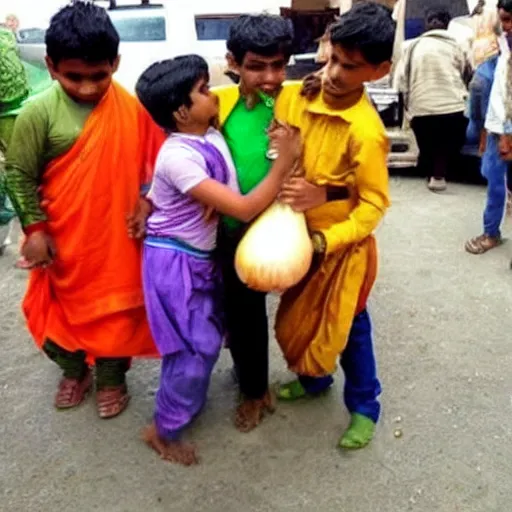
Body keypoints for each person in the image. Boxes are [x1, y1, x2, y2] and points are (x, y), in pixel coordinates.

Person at [132, 56, 300, 465]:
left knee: (206, 336)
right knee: (193, 348)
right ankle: (163, 429)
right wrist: (285, 160)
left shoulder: (207, 133)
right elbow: (242, 209)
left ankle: (184, 400)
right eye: (204, 91)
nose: (215, 97)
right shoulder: (178, 155)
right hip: (175, 264)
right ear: (180, 111)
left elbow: (199, 183)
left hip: (197, 257)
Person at [4, 2, 165, 418]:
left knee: (117, 315)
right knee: (58, 322)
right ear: (51, 66)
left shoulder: (130, 107)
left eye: (100, 75)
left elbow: (155, 164)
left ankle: (112, 379)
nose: (90, 87)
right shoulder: (37, 113)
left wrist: (146, 201)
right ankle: (74, 372)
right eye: (75, 76)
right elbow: (19, 175)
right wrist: (35, 230)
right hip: (63, 243)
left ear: (116, 63)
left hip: (119, 241)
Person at [214, 14, 348, 433]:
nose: (271, 77)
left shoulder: (303, 96)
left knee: (313, 307)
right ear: (233, 62)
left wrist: (326, 194)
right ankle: (255, 391)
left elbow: (353, 163)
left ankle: (315, 376)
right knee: (244, 314)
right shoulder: (217, 105)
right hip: (236, 231)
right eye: (257, 66)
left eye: (279, 65)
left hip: (300, 232)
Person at [272, 1, 394, 450]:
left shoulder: (367, 131)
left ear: (379, 71)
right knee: (297, 318)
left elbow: (374, 205)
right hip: (293, 237)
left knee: (350, 329)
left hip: (341, 251)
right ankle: (313, 380)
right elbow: (279, 140)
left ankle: (364, 407)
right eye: (332, 58)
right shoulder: (297, 94)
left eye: (350, 66)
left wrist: (328, 237)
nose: (335, 73)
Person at [398, 7, 471, 192]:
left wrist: (407, 106)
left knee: (428, 139)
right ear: (447, 26)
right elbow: (466, 73)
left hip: (422, 109)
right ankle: (438, 173)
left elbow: (401, 80)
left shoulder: (412, 46)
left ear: (426, 25)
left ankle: (432, 171)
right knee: (448, 141)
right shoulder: (457, 46)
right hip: (452, 108)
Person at [465, 1, 512, 255]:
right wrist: (498, 132)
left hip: (503, 128)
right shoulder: (500, 52)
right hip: (499, 127)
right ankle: (491, 232)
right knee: (494, 182)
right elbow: (496, 94)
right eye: (505, 20)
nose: (508, 27)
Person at [0, 23, 29, 248]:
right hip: (13, 108)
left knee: (13, 174)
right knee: (15, 172)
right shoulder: (6, 36)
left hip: (9, 108)